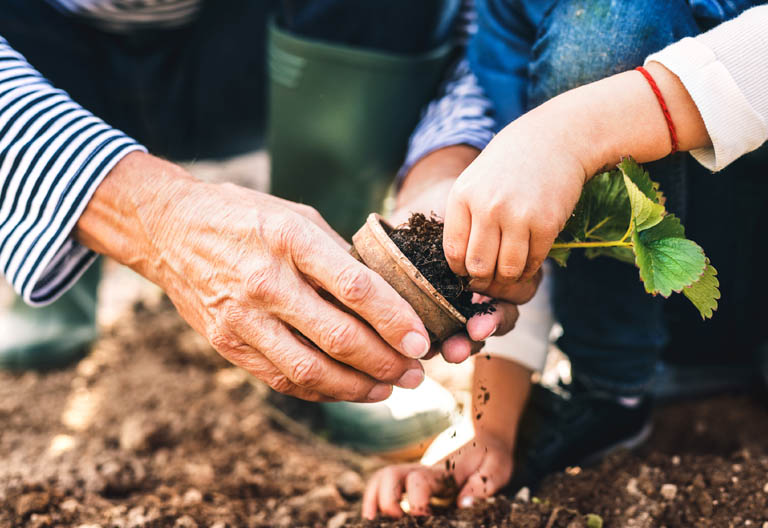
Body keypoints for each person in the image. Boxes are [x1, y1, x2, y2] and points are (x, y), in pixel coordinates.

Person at [0, 1, 534, 403]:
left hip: (260, 50)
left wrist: (446, 163)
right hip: (39, 45)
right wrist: (153, 215)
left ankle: (336, 312)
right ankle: (51, 258)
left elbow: (488, 19)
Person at [363, 1, 768, 519]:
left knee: (611, 24)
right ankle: (609, 392)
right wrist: (491, 431)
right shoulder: (507, 18)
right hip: (666, 312)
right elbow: (520, 209)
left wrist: (575, 131)